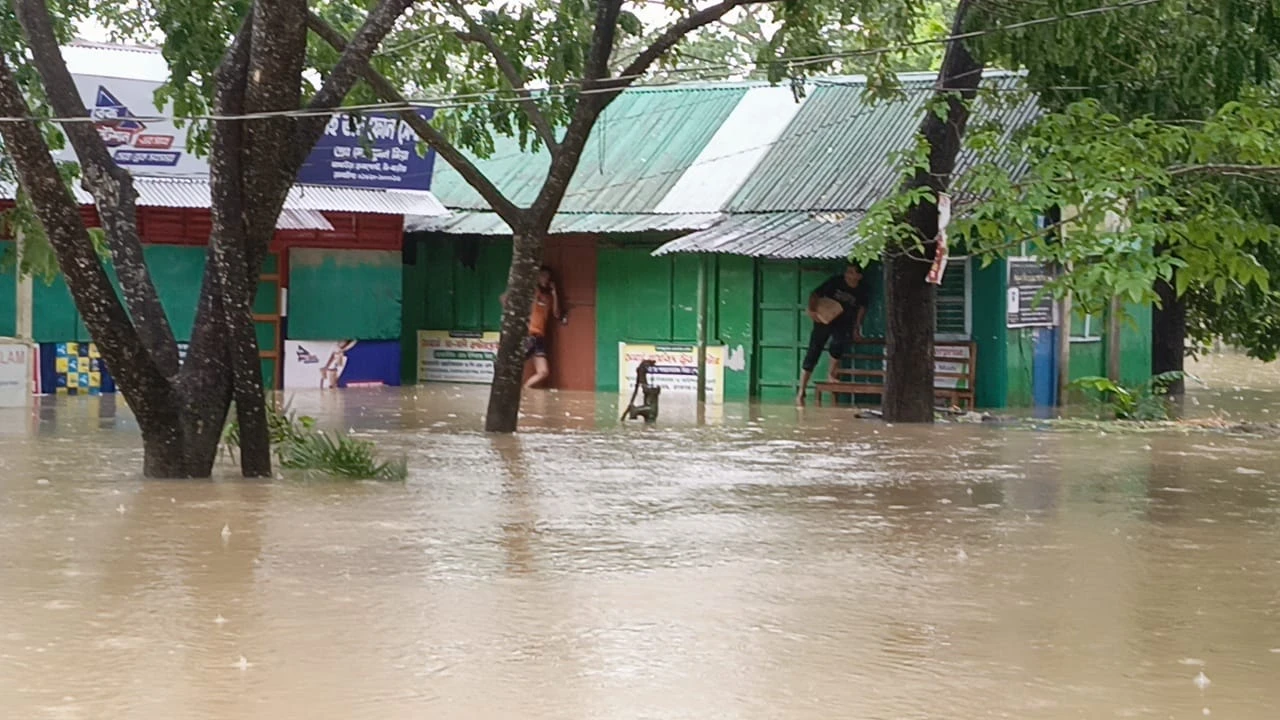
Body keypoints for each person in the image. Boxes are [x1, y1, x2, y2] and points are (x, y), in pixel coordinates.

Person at [796, 262, 870, 405]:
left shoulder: (862, 290)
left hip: (843, 322)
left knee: (838, 345)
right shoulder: (835, 281)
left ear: (859, 276)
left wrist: (857, 328)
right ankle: (801, 390)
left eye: (851, 273)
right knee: (813, 352)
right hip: (824, 319)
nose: (848, 275)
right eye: (847, 272)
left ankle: (831, 375)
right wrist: (812, 310)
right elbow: (815, 294)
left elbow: (862, 309)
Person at [501, 265, 561, 389]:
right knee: (514, 364)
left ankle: (525, 390)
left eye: (547, 277)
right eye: (543, 276)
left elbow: (556, 314)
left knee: (543, 372)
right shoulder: (531, 292)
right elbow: (504, 299)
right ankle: (504, 387)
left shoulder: (548, 297)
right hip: (528, 334)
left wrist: (555, 294)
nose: (545, 279)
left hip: (540, 337)